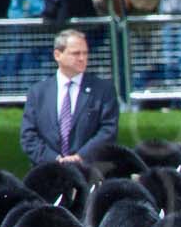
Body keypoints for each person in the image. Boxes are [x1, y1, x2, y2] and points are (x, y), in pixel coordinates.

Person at [19, 29, 120, 167]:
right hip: (47, 172)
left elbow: (108, 131)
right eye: (76, 53)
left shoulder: (103, 90)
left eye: (85, 53)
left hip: (90, 171)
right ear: (57, 55)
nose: (82, 58)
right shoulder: (38, 92)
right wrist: (54, 160)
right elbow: (28, 136)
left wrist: (80, 157)